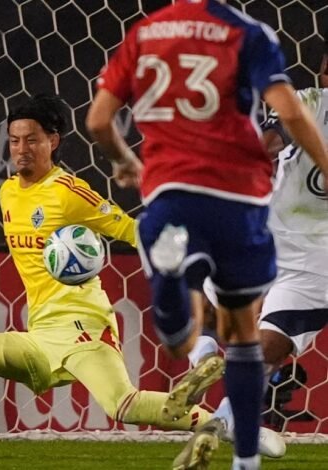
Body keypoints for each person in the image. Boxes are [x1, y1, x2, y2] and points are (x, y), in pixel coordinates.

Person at [0, 93, 252, 439]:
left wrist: (190, 248)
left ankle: (225, 424)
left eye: (31, 140)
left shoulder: (69, 192)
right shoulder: (8, 193)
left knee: (122, 405)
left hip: (84, 327)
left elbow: (130, 230)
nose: (21, 150)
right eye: (14, 140)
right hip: (40, 335)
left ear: (53, 141)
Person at [85, 1, 328, 469]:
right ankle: (238, 449)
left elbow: (98, 121)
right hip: (262, 223)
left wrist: (122, 160)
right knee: (255, 342)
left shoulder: (145, 34)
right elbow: (284, 119)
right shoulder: (250, 35)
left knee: (193, 328)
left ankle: (199, 352)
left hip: (185, 198)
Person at [173, 28, 328, 467]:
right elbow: (273, 137)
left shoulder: (307, 100)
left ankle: (211, 379)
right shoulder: (310, 102)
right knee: (267, 348)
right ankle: (225, 408)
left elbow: (269, 140)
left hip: (277, 240)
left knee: (209, 288)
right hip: (307, 257)